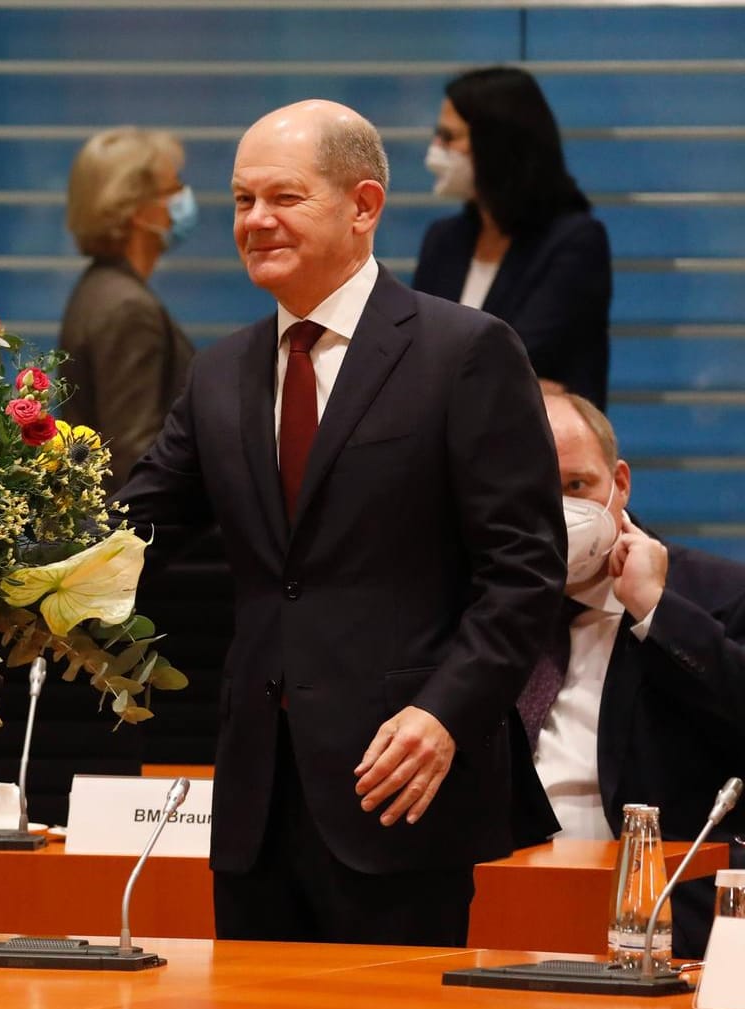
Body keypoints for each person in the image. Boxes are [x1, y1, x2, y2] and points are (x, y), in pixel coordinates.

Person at [114, 100, 565, 947]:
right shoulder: (220, 374)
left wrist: (445, 715)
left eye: (283, 198)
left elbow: (524, 573)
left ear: (363, 206)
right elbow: (129, 538)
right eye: (242, 201)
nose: (255, 221)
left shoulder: (464, 351)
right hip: (256, 807)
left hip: (399, 786)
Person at [516, 390, 745, 957]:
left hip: (669, 928)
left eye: (577, 486)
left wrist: (654, 610)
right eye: (534, 493)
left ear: (619, 483)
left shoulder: (718, 595)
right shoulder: (475, 608)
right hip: (506, 913)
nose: (559, 512)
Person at [413, 67, 611, 408]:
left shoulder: (575, 242)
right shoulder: (443, 240)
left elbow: (513, 359)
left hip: (540, 451)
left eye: (449, 137)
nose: (435, 150)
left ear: (495, 145)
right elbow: (411, 355)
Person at [57, 127, 196, 479]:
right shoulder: (127, 308)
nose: (183, 197)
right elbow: (135, 454)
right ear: (138, 210)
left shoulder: (97, 288)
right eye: (173, 188)